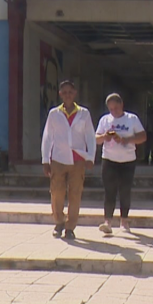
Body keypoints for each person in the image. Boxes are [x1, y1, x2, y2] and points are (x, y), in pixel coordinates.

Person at [41, 80, 95, 240]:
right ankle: (59, 222)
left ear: (75, 93)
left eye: (70, 92)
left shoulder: (84, 113)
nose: (67, 95)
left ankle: (70, 227)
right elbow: (47, 137)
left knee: (75, 194)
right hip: (58, 158)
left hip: (78, 160)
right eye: (64, 92)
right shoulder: (54, 114)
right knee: (57, 192)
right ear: (60, 94)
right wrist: (45, 159)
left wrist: (90, 157)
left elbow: (90, 137)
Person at [95, 93, 146, 234]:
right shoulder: (105, 120)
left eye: (116, 108)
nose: (114, 112)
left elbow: (142, 136)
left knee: (125, 191)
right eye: (111, 109)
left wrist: (126, 139)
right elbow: (96, 139)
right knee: (109, 191)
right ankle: (107, 222)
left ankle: (124, 221)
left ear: (121, 105)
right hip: (109, 160)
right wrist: (105, 137)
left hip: (127, 160)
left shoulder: (132, 119)